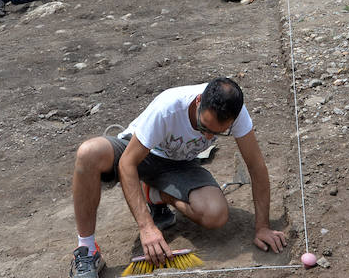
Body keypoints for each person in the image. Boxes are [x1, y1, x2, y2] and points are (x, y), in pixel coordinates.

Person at [68, 77, 287, 278]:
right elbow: (127, 163)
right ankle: (87, 250)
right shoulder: (169, 107)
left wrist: (263, 227)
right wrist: (147, 228)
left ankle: (157, 195)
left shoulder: (236, 112)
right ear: (199, 101)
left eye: (218, 133)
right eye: (204, 127)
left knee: (216, 215)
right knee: (88, 153)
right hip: (139, 153)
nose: (208, 136)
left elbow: (256, 166)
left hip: (180, 166)